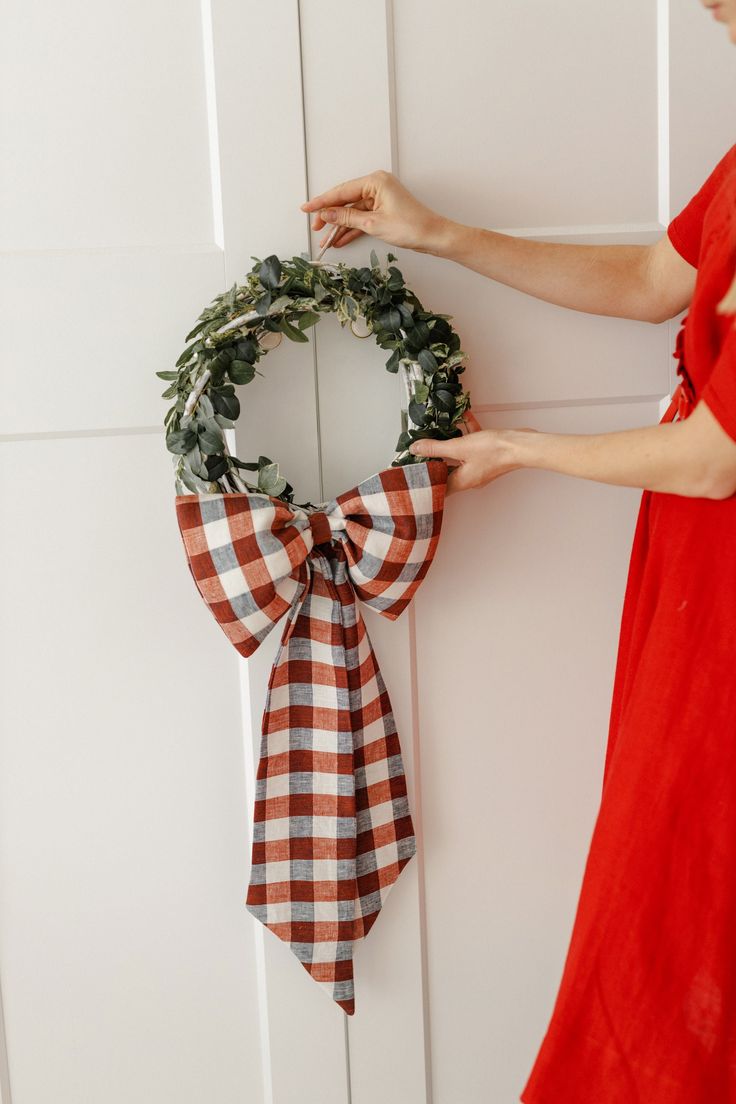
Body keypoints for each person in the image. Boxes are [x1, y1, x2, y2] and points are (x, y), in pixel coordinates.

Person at [299, 1, 736, 1099]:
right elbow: (652, 285)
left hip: (717, 557)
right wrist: (437, 233)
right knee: (672, 871)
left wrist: (520, 448)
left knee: (687, 877)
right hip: (692, 567)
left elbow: (717, 456)